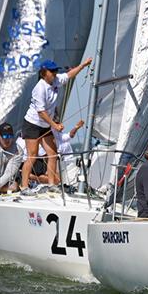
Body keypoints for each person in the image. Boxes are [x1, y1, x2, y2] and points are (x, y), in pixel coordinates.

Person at [21, 57, 92, 192]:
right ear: (43, 73)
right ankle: (24, 186)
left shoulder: (56, 80)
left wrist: (83, 65)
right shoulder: (40, 88)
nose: (54, 73)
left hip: (44, 125)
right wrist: (55, 125)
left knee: (53, 154)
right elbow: (41, 112)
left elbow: (69, 75)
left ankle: (52, 185)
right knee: (33, 154)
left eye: (55, 71)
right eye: (51, 71)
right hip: (32, 124)